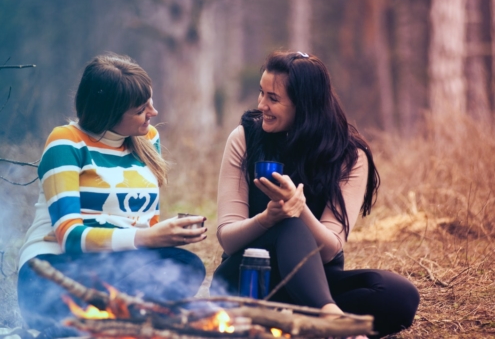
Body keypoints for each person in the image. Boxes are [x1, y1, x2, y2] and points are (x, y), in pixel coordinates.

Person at [211, 51, 420, 338]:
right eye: (262, 93)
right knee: (287, 223)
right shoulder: (245, 138)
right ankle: (330, 321)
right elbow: (229, 239)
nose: (262, 105)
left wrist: (300, 209)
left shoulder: (349, 155)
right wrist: (268, 218)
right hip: (247, 280)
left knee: (399, 294)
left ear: (305, 104)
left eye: (273, 98)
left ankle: (303, 323)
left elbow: (330, 248)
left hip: (313, 282)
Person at [17, 53, 207, 335]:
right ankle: (93, 322)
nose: (153, 113)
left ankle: (105, 324)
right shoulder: (66, 142)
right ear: (109, 113)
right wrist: (147, 238)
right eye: (142, 109)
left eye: (150, 102)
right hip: (53, 271)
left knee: (185, 264)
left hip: (116, 267)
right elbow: (69, 237)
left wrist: (165, 235)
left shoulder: (147, 139)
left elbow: (146, 222)